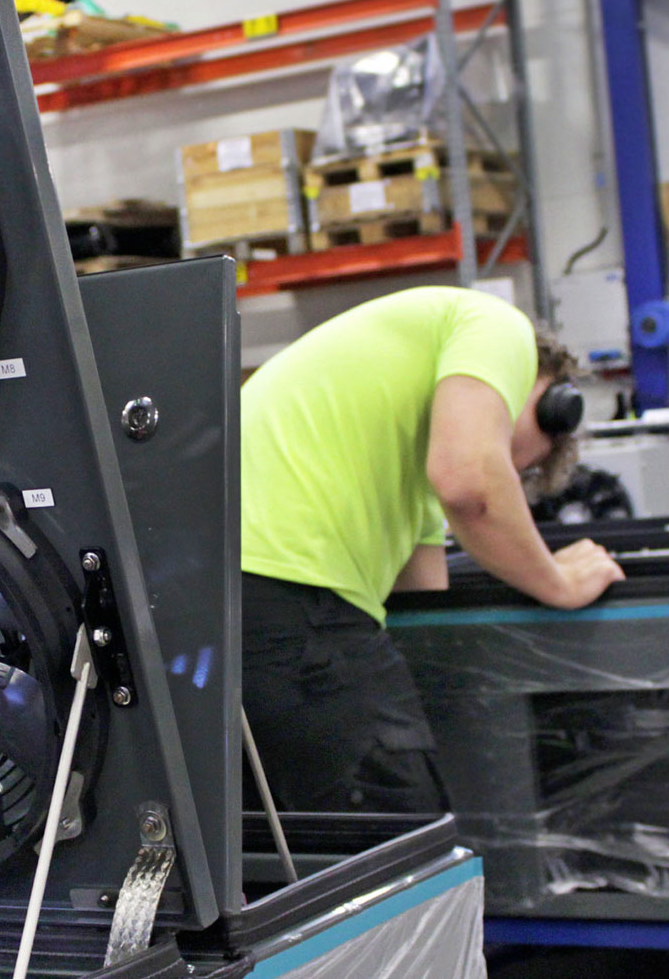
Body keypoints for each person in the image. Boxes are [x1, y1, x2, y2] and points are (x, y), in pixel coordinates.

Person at [240, 286, 624, 813]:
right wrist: (558, 584)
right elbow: (471, 486)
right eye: (525, 465)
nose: (515, 472)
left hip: (222, 602)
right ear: (555, 401)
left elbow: (423, 593)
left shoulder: (406, 456)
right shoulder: (498, 327)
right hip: (291, 595)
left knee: (278, 838)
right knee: (398, 830)